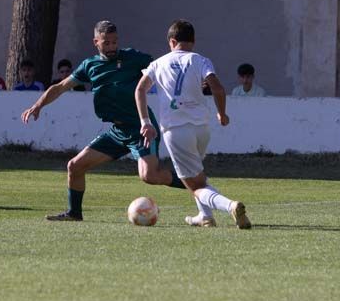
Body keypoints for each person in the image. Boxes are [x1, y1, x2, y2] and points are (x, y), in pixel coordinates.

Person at [20, 20, 191, 221]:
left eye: (114, 42)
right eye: (106, 43)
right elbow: (60, 87)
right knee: (74, 166)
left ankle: (195, 183)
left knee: (149, 176)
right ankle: (74, 214)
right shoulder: (90, 66)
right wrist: (38, 105)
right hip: (117, 132)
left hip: (141, 128)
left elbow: (164, 68)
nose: (112, 47)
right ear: (96, 42)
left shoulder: (133, 58)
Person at [135, 20, 251, 229]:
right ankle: (205, 217)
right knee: (197, 174)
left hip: (176, 129)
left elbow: (140, 90)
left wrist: (145, 122)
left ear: (172, 41)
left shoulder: (158, 63)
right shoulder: (200, 60)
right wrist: (222, 114)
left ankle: (230, 206)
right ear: (194, 41)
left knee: (195, 185)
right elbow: (217, 88)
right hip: (202, 128)